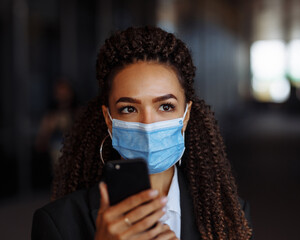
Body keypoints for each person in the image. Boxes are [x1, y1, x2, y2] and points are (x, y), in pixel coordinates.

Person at [31, 26, 253, 240]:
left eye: (165, 106)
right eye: (129, 109)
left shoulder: (229, 217)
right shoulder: (58, 222)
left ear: (185, 116)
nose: (148, 124)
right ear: (109, 119)